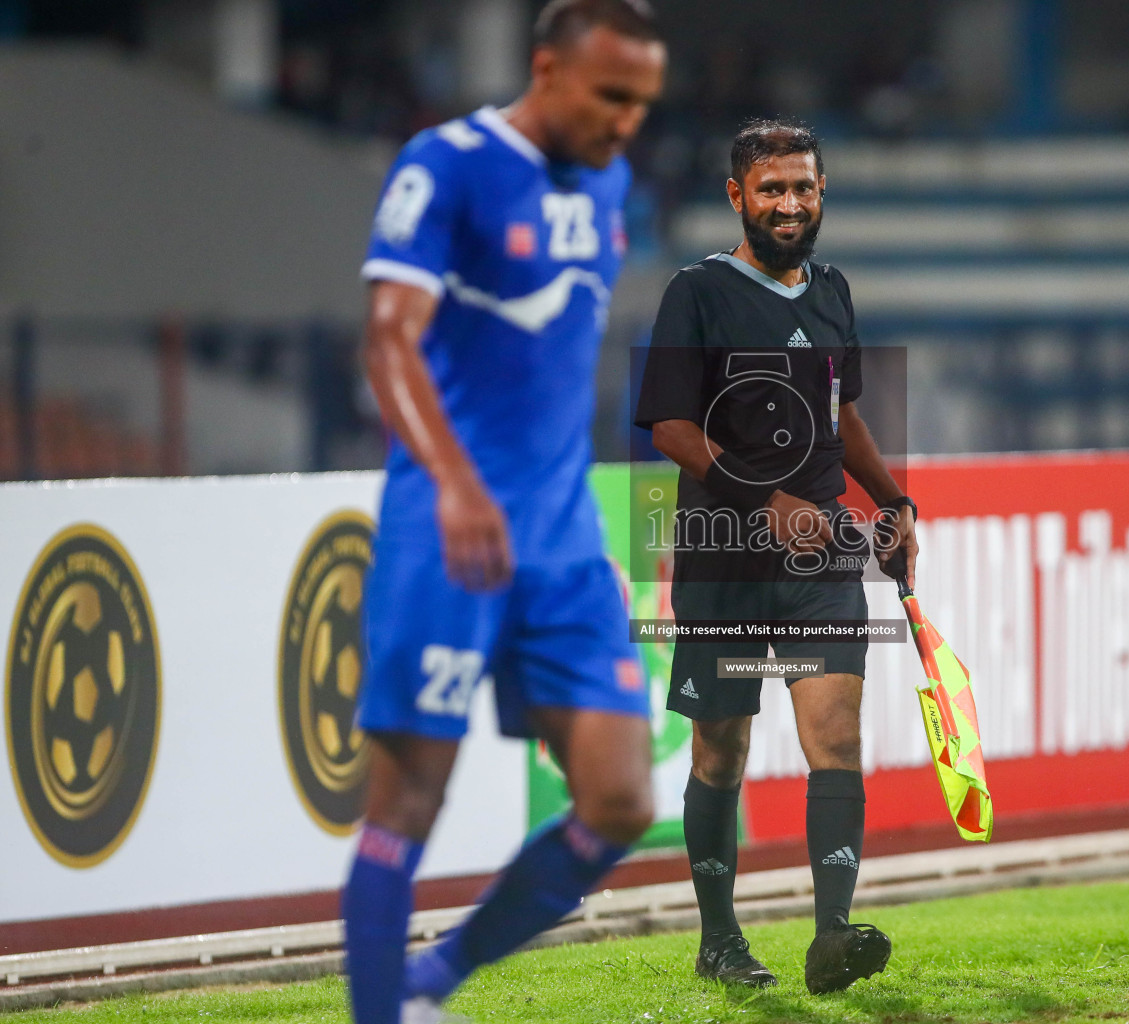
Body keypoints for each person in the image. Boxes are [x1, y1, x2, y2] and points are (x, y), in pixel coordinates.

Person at [343, 3, 665, 1023]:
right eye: (612, 96)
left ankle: (431, 981)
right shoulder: (445, 166)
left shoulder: (608, 182)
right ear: (546, 69)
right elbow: (389, 341)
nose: (627, 123)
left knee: (620, 801)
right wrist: (452, 481)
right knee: (405, 804)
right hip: (451, 529)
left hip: (562, 541)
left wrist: (578, 525)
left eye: (643, 104)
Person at [634, 119, 918, 994]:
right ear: (737, 198)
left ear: (822, 193)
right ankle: (719, 940)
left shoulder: (832, 291)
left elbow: (842, 414)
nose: (789, 205)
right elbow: (670, 426)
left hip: (821, 556)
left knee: (835, 733)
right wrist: (766, 503)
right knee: (721, 751)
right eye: (771, 189)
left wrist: (891, 499)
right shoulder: (697, 292)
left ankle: (833, 933)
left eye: (803, 187)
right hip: (726, 559)